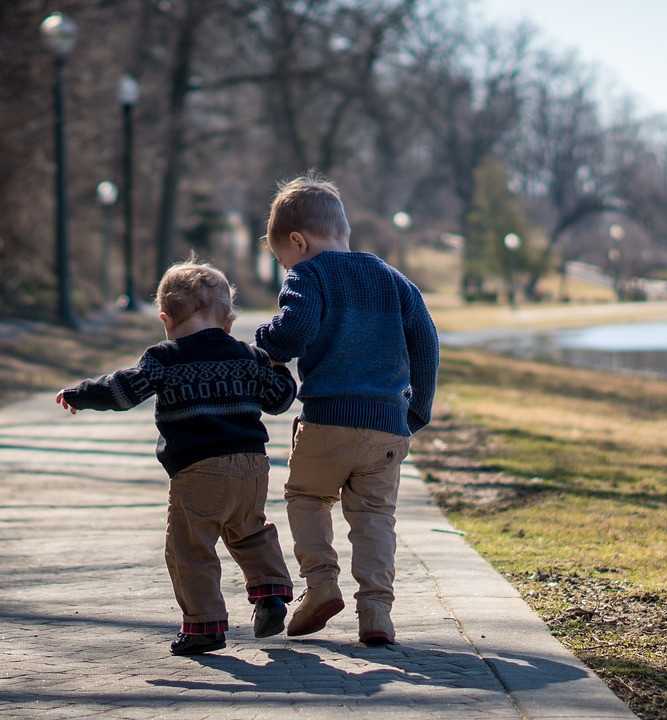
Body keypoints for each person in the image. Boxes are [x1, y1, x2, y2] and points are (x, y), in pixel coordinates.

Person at [56, 259, 297, 656]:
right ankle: (271, 594)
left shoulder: (164, 358)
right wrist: (279, 366)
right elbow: (279, 400)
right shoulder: (246, 355)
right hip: (252, 466)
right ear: (228, 319)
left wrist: (82, 394)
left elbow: (123, 391)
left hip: (198, 469)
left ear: (165, 318)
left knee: (190, 548)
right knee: (250, 530)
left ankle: (204, 625)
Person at [256, 174, 439, 645]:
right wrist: (417, 410)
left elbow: (292, 333)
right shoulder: (394, 280)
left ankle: (320, 586)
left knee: (307, 498)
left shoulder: (309, 275)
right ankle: (376, 611)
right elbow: (426, 344)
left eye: (283, 259)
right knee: (375, 516)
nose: (286, 267)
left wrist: (265, 340)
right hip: (386, 426)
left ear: (298, 241)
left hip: (327, 420)